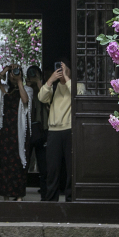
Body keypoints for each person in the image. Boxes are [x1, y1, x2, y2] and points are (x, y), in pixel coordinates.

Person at [0, 64, 33, 201]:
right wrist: (5, 70)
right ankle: (5, 196)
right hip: (6, 130)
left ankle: (19, 196)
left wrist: (19, 81)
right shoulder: (4, 89)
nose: (13, 74)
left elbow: (25, 100)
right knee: (5, 163)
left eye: (16, 72)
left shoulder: (27, 89)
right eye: (11, 73)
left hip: (20, 131)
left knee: (19, 162)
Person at [38, 58, 73, 202]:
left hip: (70, 130)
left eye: (63, 68)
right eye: (59, 68)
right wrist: (50, 80)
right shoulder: (53, 87)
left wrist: (67, 78)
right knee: (52, 168)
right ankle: (51, 200)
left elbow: (77, 96)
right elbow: (41, 97)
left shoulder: (76, 86)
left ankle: (71, 199)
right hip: (54, 132)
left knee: (71, 168)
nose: (61, 71)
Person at [24, 65, 48, 195]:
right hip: (27, 130)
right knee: (24, 163)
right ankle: (19, 192)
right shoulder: (26, 90)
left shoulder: (44, 88)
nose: (32, 77)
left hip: (42, 130)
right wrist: (27, 86)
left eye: (35, 74)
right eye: (30, 74)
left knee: (43, 165)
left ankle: (45, 193)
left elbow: (47, 101)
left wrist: (39, 83)